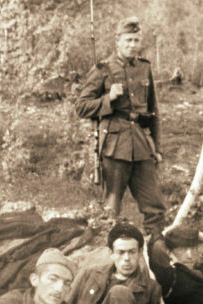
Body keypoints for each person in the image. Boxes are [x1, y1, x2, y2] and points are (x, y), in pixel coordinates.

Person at [75, 16, 167, 234]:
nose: (132, 45)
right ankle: (108, 255)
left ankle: (155, 253)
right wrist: (109, 99)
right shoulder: (102, 69)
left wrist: (158, 148)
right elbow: (81, 106)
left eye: (136, 40)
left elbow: (154, 112)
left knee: (155, 206)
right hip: (114, 146)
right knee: (111, 208)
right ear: (118, 41)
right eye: (128, 40)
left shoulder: (144, 68)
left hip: (142, 144)